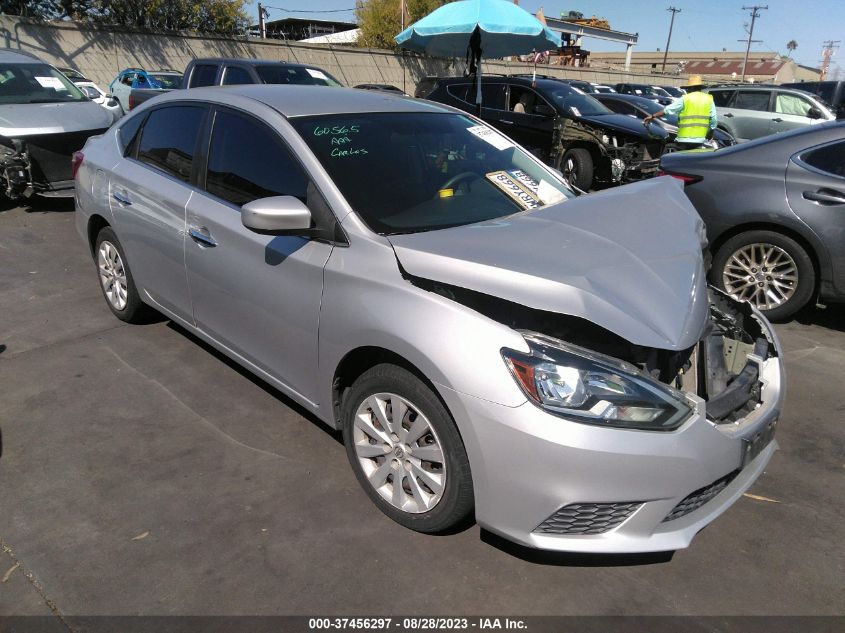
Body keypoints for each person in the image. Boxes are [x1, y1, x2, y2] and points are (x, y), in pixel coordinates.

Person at [643, 74, 716, 149]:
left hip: (684, 139)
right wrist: (710, 134)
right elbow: (713, 120)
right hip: (700, 140)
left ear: (692, 88)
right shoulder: (709, 99)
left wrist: (652, 116)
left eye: (688, 89)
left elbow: (667, 110)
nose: (687, 90)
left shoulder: (685, 98)